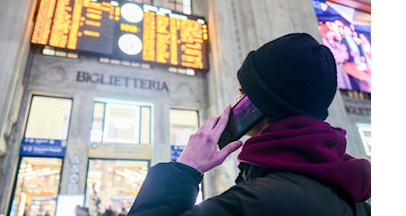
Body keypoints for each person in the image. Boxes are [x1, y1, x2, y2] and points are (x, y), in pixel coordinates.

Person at [127, 33, 371, 215]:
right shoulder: (356, 200)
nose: (235, 102)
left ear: (256, 105)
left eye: (241, 92)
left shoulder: (257, 202)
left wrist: (185, 169)